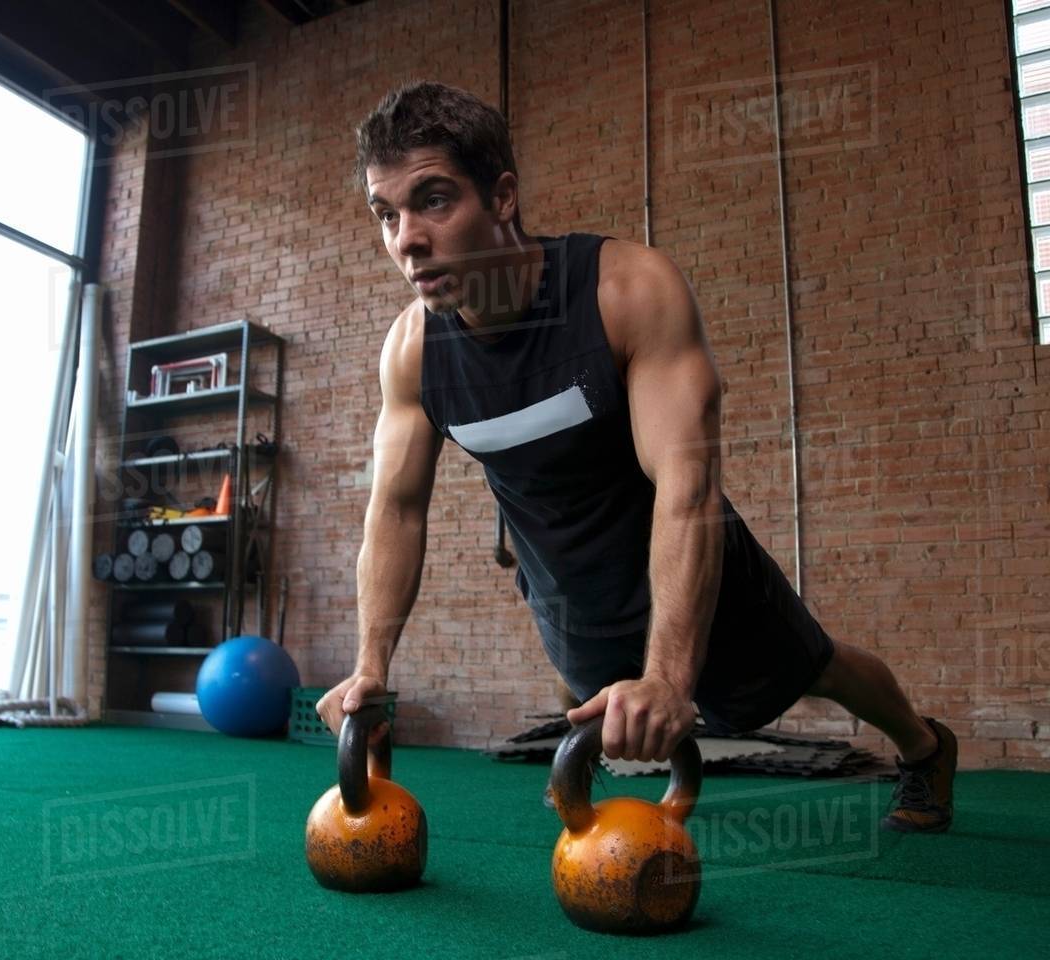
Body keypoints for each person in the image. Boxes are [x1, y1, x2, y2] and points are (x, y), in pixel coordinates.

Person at [315, 80, 956, 833]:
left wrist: (666, 680)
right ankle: (583, 761)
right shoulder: (412, 351)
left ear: (503, 197)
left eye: (433, 201)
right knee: (580, 678)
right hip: (563, 580)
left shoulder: (625, 293)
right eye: (385, 214)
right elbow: (396, 507)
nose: (406, 238)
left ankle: (922, 745)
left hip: (685, 551)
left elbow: (688, 486)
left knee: (814, 668)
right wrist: (371, 668)